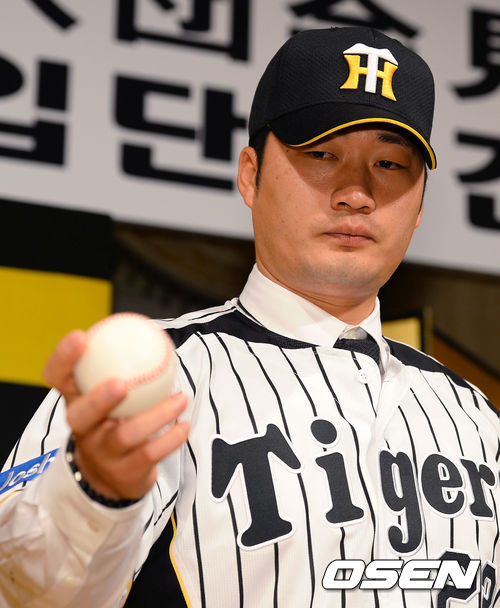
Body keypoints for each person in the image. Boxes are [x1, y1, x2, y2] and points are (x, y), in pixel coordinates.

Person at [0, 26, 498, 608]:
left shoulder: (475, 417)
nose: (356, 192)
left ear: (419, 207)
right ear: (250, 174)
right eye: (322, 154)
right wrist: (94, 495)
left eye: (389, 164)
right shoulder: (153, 378)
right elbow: (20, 590)